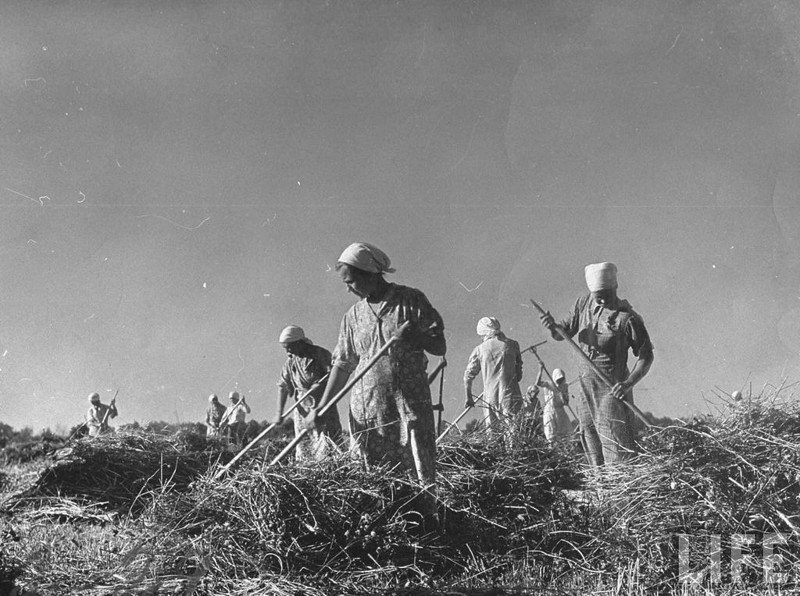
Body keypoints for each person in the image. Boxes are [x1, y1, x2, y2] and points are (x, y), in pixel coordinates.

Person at [308, 242, 446, 524]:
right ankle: (383, 531)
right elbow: (343, 364)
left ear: (371, 273)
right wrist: (322, 407)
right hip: (368, 408)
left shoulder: (410, 300)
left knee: (417, 465)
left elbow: (439, 345)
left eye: (352, 281)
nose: (349, 289)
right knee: (374, 477)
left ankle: (426, 528)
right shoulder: (352, 317)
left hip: (406, 402)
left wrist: (413, 338)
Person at [539, 262, 654, 466]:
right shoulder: (583, 304)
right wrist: (552, 326)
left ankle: (620, 492)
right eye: (596, 294)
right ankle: (601, 492)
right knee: (591, 441)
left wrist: (628, 383)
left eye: (605, 293)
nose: (600, 298)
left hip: (612, 388)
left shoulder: (627, 318)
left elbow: (646, 356)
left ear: (615, 288)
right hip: (585, 388)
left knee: (613, 442)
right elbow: (562, 332)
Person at [274, 324, 342, 462]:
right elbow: (283, 386)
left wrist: (321, 383)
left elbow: (335, 374)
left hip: (322, 406)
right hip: (302, 410)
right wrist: (279, 412)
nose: (288, 351)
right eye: (285, 348)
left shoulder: (320, 354)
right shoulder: (290, 363)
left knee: (327, 444)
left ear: (299, 342)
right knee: (305, 446)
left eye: (289, 346)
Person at [463, 317, 523, 441]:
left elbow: (468, 376)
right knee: (513, 433)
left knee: (494, 437)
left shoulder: (480, 349)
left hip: (490, 397)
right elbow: (519, 376)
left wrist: (469, 397)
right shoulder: (512, 345)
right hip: (510, 395)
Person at [533, 365, 573, 445]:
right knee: (551, 434)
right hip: (550, 411)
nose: (560, 381)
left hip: (560, 411)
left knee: (565, 433)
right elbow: (537, 383)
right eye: (558, 379)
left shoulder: (564, 386)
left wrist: (563, 396)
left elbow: (566, 403)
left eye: (561, 379)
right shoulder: (548, 384)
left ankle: (566, 450)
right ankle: (552, 451)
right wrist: (540, 369)